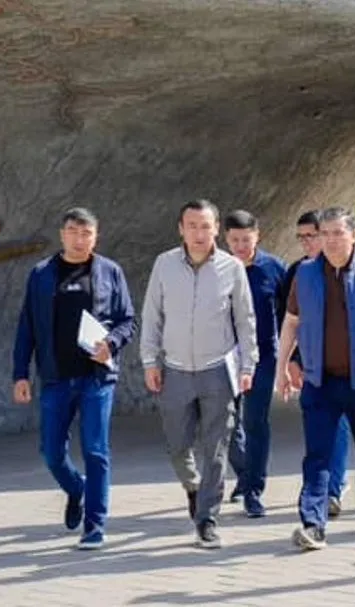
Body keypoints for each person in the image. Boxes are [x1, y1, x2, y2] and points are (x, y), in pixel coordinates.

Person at [12, 207, 136, 550]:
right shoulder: (41, 274)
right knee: (51, 452)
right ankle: (76, 489)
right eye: (73, 232)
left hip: (97, 377)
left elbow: (128, 320)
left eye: (86, 233)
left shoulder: (110, 272)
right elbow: (27, 326)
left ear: (96, 237)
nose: (79, 240)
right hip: (56, 377)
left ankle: (95, 525)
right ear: (62, 234)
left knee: (96, 450)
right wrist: (20, 373)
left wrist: (111, 344)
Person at [276, 206, 355, 550]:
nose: (330, 240)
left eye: (338, 233)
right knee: (317, 456)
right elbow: (291, 323)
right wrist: (282, 366)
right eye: (324, 234)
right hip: (320, 382)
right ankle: (313, 524)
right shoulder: (305, 275)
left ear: (353, 235)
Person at [140, 199, 258, 550]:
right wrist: (150, 361)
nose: (199, 233)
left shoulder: (231, 268)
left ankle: (207, 519)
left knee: (216, 447)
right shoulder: (164, 264)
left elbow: (245, 320)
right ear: (181, 229)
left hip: (217, 371)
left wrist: (248, 365)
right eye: (192, 226)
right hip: (175, 370)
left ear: (216, 229)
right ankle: (193, 486)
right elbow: (152, 315)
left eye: (206, 226)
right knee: (178, 445)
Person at [278, 210, 353, 517]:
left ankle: (333, 488)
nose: (307, 242)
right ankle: (318, 490)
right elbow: (289, 321)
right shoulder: (298, 272)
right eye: (302, 237)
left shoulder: (350, 269)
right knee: (318, 431)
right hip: (311, 365)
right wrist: (290, 361)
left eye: (313, 235)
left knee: (339, 426)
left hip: (343, 367)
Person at [223, 209, 287, 518]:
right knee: (225, 422)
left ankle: (253, 491)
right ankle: (244, 473)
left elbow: (289, 314)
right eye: (235, 240)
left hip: (262, 357)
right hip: (224, 357)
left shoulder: (274, 268)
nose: (241, 246)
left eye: (246, 240)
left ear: (257, 236)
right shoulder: (216, 268)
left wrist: (290, 357)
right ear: (226, 239)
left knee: (255, 422)